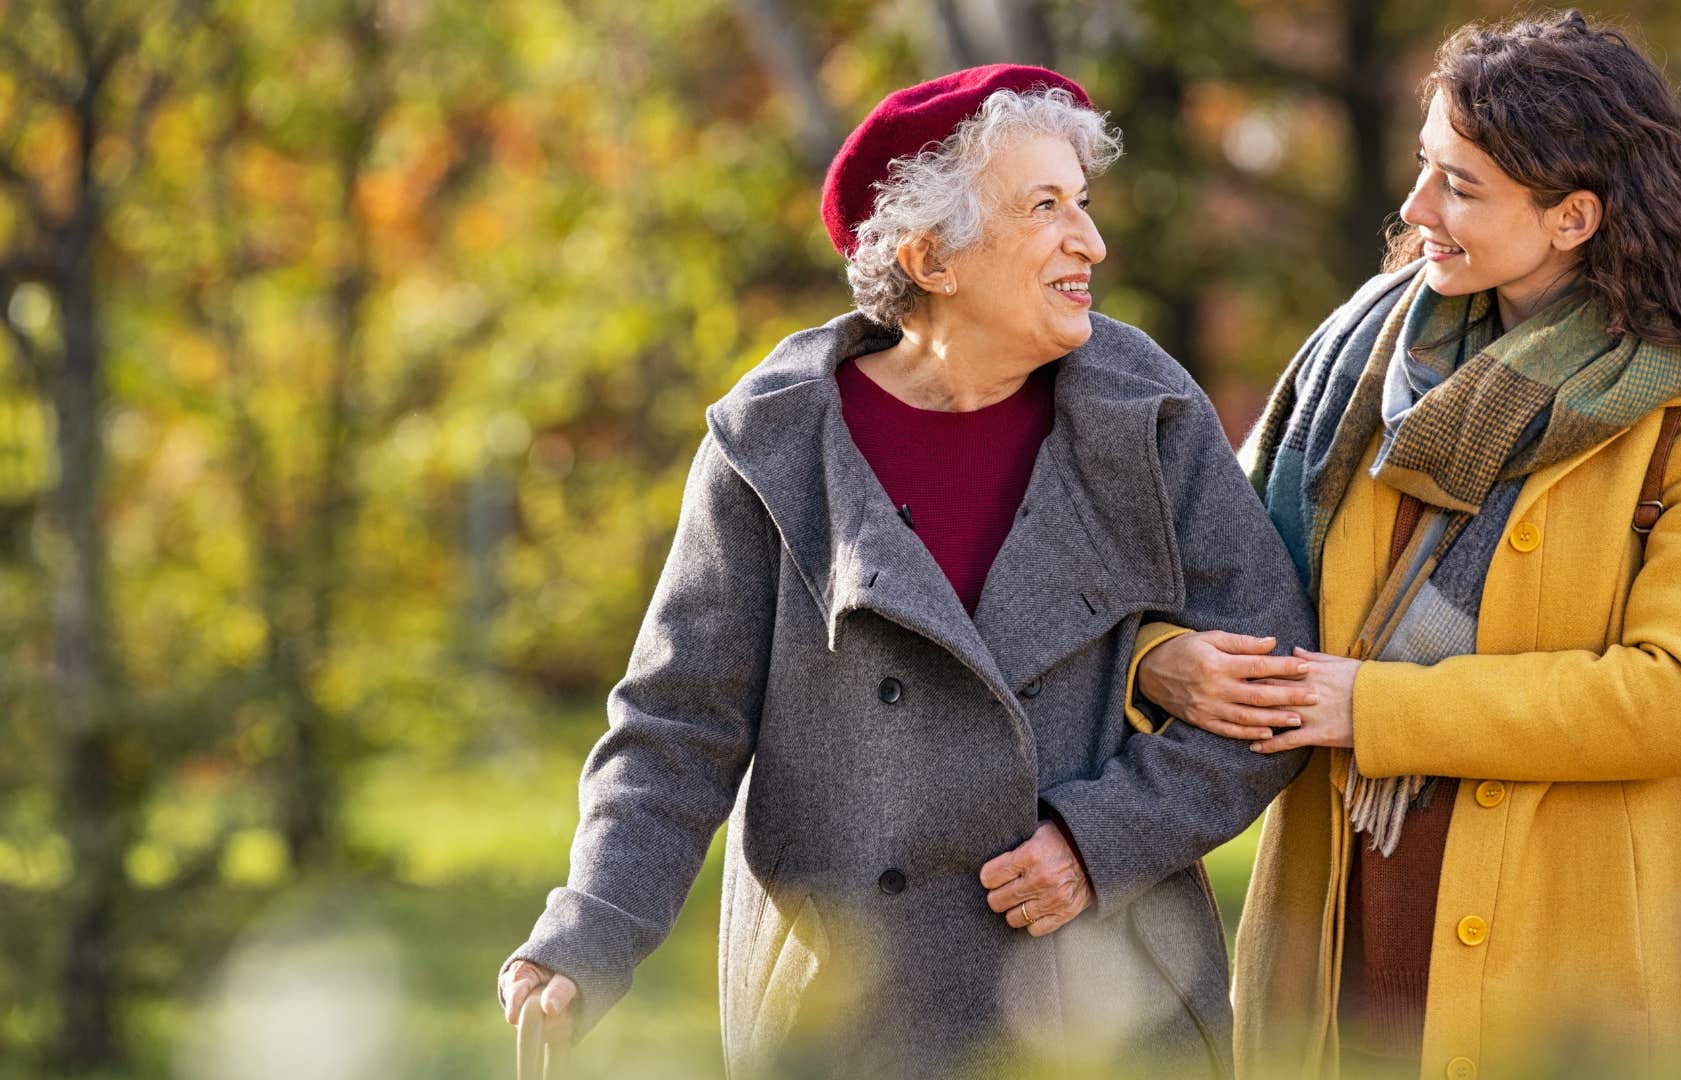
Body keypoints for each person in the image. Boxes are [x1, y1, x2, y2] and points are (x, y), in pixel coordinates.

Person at [496, 65, 1317, 1078]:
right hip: (853, 1013)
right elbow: (677, 726)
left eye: (1085, 204)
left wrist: (1100, 839)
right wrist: (587, 934)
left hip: (1109, 1000)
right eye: (1045, 208)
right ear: (931, 257)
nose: (1091, 242)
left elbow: (1276, 680)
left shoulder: (1145, 412)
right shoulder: (775, 444)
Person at [1130, 11, 1681, 1078]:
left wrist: (1376, 707)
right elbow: (1208, 574)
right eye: (1423, 169)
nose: (1414, 212)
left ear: (1573, 216)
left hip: (1573, 953)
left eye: (1460, 185)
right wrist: (1161, 659)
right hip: (1340, 931)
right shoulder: (1362, 364)